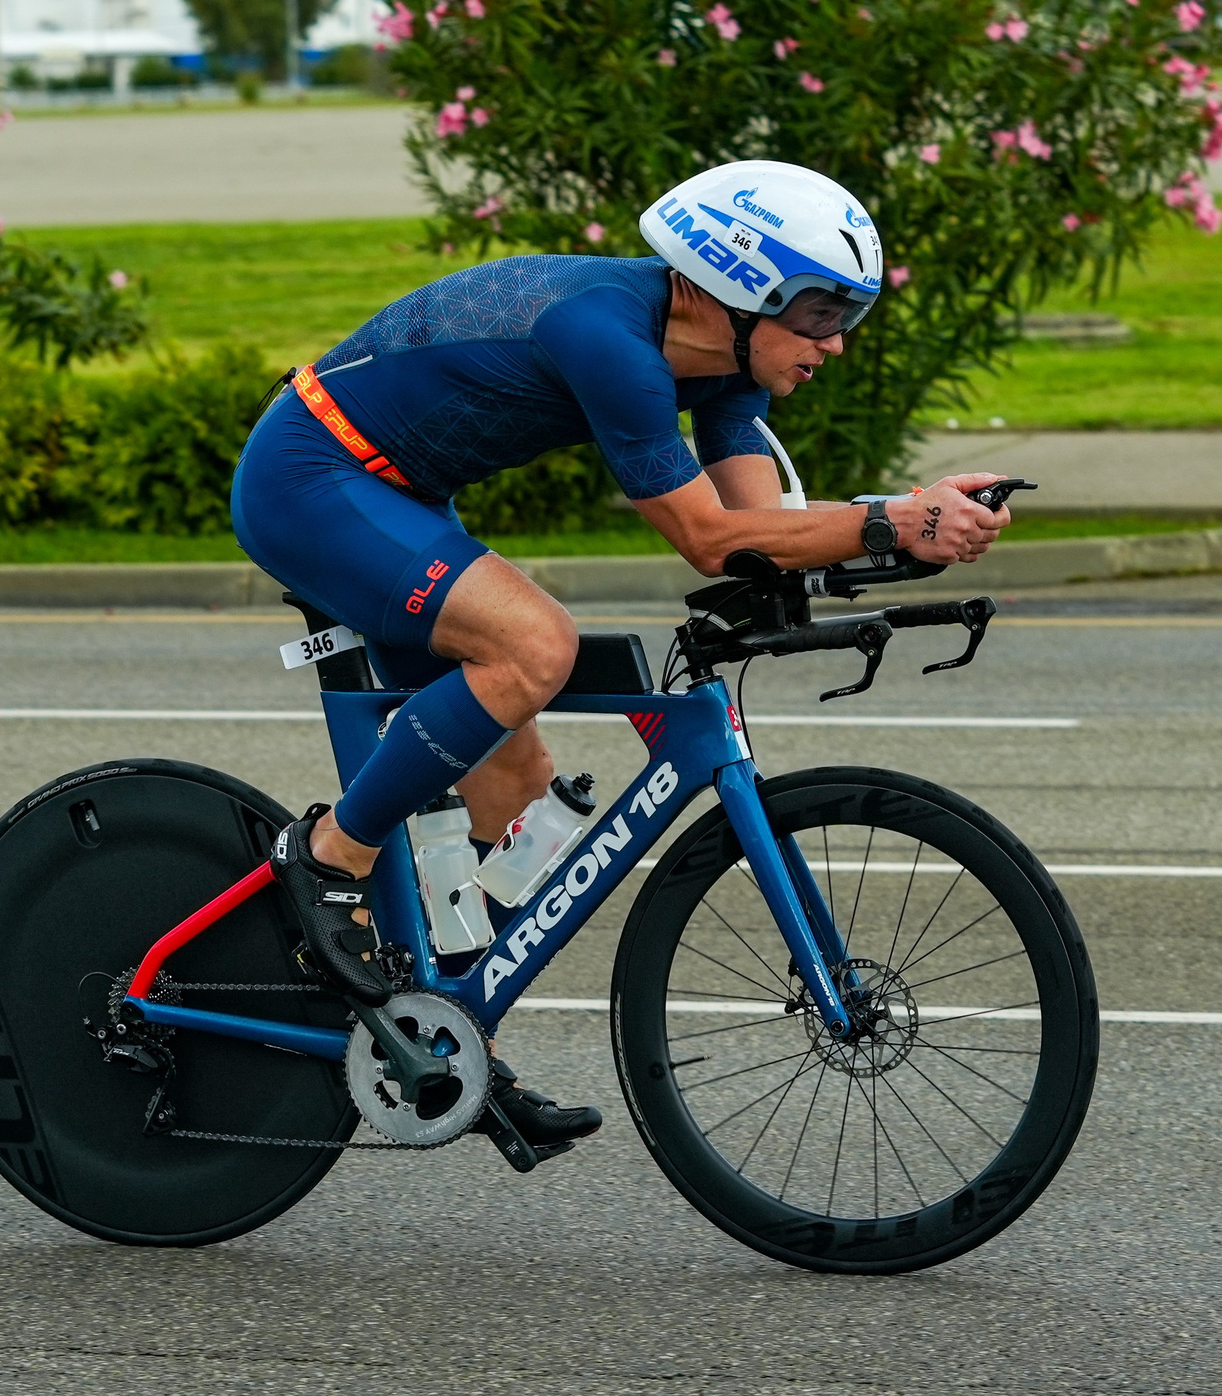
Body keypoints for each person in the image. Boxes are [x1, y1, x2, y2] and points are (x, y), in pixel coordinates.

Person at [229, 158, 1016, 1155]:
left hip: (399, 497)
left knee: (521, 799)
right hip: (313, 477)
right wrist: (887, 523)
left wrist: (898, 538)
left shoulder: (725, 368)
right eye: (820, 310)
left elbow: (752, 530)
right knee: (534, 647)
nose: (838, 340)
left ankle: (441, 1032)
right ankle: (330, 858)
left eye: (849, 311)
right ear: (736, 290)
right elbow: (702, 537)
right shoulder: (607, 337)